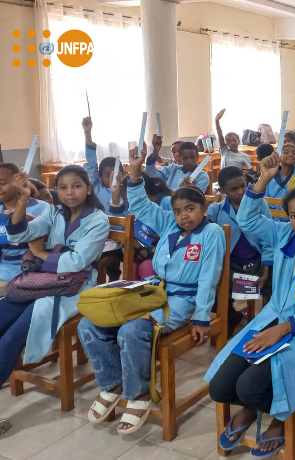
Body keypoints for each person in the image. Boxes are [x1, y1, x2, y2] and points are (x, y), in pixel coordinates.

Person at [206, 153, 295, 456]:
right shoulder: (282, 234)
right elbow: (245, 219)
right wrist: (263, 180)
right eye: (294, 215)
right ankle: (249, 411)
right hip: (270, 321)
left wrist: (284, 328)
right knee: (219, 388)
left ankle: (282, 421)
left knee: (248, 387)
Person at [80, 144, 226, 435]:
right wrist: (134, 175)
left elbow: (209, 277)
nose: (184, 216)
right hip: (151, 290)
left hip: (182, 300)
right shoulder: (169, 224)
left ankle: (139, 393)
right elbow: (143, 206)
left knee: (131, 331)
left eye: (190, 209)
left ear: (204, 208)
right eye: (178, 211)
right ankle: (112, 384)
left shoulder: (211, 234)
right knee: (89, 324)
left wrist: (200, 317)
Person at [0, 166, 109, 397]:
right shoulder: (54, 213)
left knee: (10, 339)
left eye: (76, 186)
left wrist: (40, 255)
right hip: (41, 282)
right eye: (62, 187)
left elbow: (78, 261)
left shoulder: (98, 220)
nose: (69, 192)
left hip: (73, 289)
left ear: (88, 188)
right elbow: (20, 234)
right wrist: (23, 201)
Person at [207, 166, 273, 335]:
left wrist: (265, 272)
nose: (241, 192)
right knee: (214, 286)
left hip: (258, 266)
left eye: (243, 186)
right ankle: (230, 319)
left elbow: (268, 241)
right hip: (231, 266)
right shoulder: (215, 210)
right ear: (222, 190)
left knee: (276, 284)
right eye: (234, 189)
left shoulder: (260, 205)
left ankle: (269, 327)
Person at [0, 164, 50, 293]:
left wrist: (23, 214)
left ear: (20, 180)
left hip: (29, 272)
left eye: (2, 183)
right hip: (3, 270)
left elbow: (52, 237)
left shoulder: (42, 208)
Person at [81, 117, 128, 218]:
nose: (112, 178)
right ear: (100, 176)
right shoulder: (96, 187)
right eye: (107, 175)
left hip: (121, 229)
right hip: (100, 228)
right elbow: (91, 163)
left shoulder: (126, 190)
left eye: (116, 175)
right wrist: (88, 133)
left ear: (123, 174)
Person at [145, 138, 211, 193]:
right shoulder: (172, 168)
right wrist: (155, 151)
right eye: (185, 158)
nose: (189, 161)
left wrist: (191, 190)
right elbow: (151, 174)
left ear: (197, 157)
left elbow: (197, 199)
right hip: (164, 205)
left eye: (193, 157)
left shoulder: (202, 176)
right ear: (180, 158)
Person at [215, 109, 257, 177]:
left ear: (238, 141)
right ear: (226, 144)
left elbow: (250, 171)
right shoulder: (225, 151)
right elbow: (220, 135)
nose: (232, 143)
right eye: (229, 141)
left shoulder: (244, 156)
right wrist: (217, 121)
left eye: (234, 140)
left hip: (236, 181)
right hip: (223, 181)